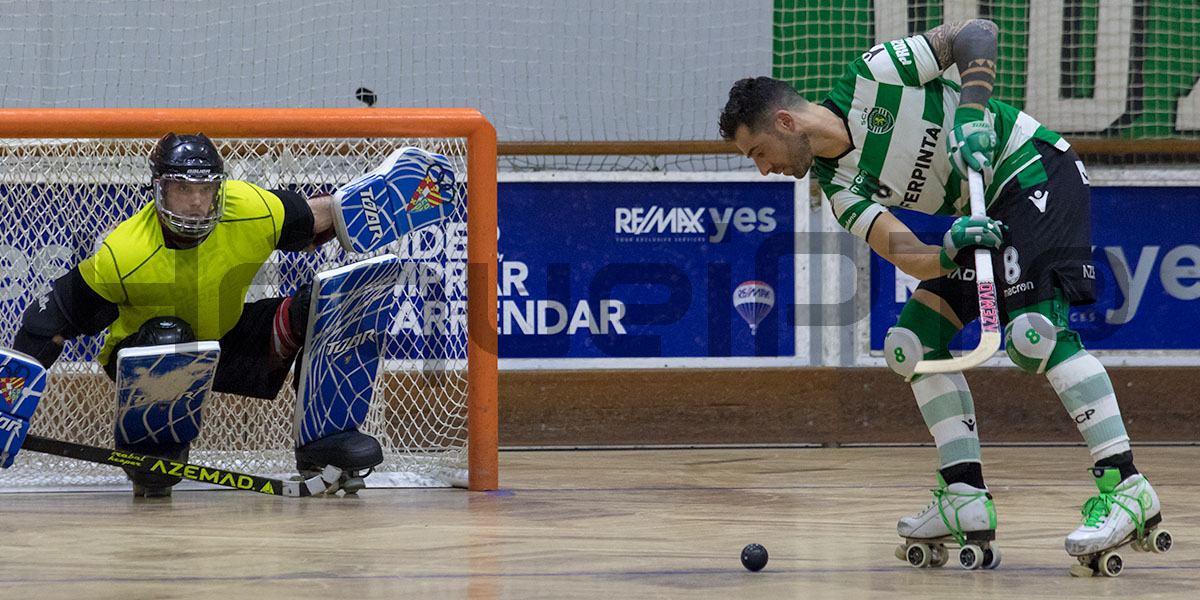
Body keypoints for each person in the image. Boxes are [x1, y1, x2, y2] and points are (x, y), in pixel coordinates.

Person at [719, 20, 1164, 571]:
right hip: (978, 218)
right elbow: (908, 255)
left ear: (785, 121)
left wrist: (973, 111)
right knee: (911, 345)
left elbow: (974, 33)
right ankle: (963, 497)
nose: (766, 169)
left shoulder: (875, 76)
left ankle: (1126, 487)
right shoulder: (839, 189)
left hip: (1033, 169)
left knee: (1032, 337)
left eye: (759, 151)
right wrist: (951, 250)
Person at [9, 132, 382, 497]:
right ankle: (154, 447)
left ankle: (328, 440)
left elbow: (316, 217)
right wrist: (6, 409)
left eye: (206, 189)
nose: (197, 202)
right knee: (169, 337)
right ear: (159, 189)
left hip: (225, 338)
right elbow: (45, 326)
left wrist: (380, 202)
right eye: (183, 189)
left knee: (328, 305)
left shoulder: (250, 208)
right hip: (149, 353)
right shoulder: (124, 254)